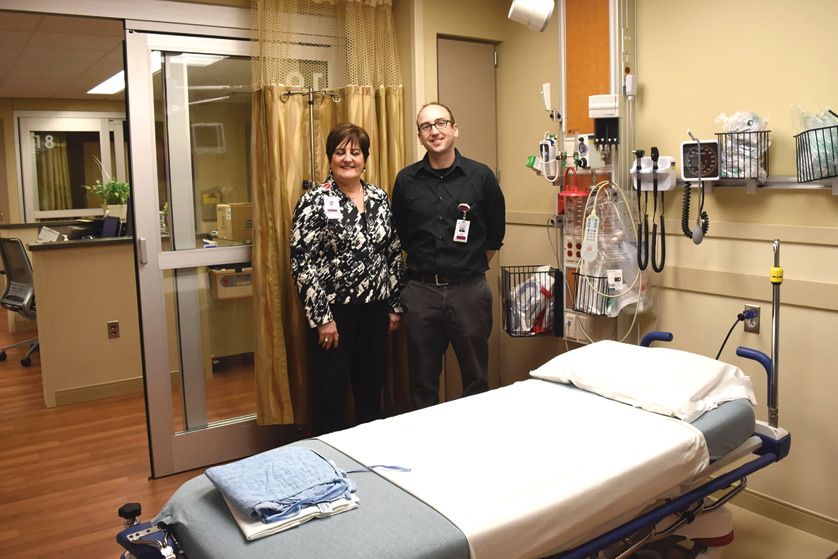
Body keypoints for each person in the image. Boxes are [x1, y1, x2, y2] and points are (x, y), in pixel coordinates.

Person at [290, 123, 404, 435]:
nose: (348, 158)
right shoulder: (314, 201)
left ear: (365, 158)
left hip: (376, 310)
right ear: (330, 158)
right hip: (334, 315)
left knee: (371, 390)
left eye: (355, 152)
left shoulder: (379, 197)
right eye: (340, 152)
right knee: (331, 392)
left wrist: (394, 305)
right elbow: (302, 262)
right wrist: (322, 318)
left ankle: (369, 458)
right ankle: (327, 463)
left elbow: (392, 252)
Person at [391, 102, 506, 409]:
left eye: (441, 123)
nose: (434, 131)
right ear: (420, 137)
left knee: (476, 379)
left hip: (468, 291)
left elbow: (494, 235)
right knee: (422, 382)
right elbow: (400, 234)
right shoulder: (406, 180)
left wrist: (464, 269)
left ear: (455, 129)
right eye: (426, 126)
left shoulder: (481, 177)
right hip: (420, 293)